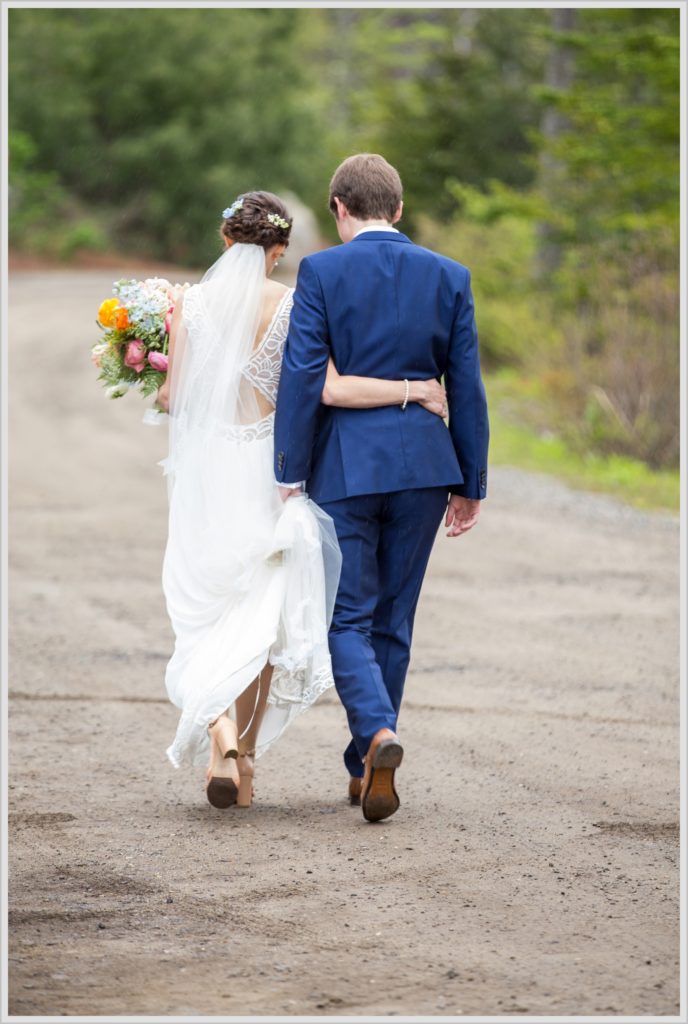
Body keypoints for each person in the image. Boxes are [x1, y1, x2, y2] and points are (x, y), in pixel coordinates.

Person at [157, 190, 449, 809]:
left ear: (224, 239)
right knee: (259, 621)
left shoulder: (189, 305)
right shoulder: (291, 305)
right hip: (268, 471)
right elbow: (330, 388)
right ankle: (249, 758)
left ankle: (223, 737)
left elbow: (174, 400)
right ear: (280, 249)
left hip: (208, 474)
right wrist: (417, 390)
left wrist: (149, 368)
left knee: (204, 614)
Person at [274, 155, 489, 823]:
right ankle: (365, 762)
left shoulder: (321, 271)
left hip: (346, 471)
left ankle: (375, 737)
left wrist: (288, 469)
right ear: (398, 209)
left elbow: (304, 374)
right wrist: (470, 479)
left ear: (339, 207)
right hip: (426, 469)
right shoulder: (450, 276)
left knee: (347, 616)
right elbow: (468, 388)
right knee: (394, 619)